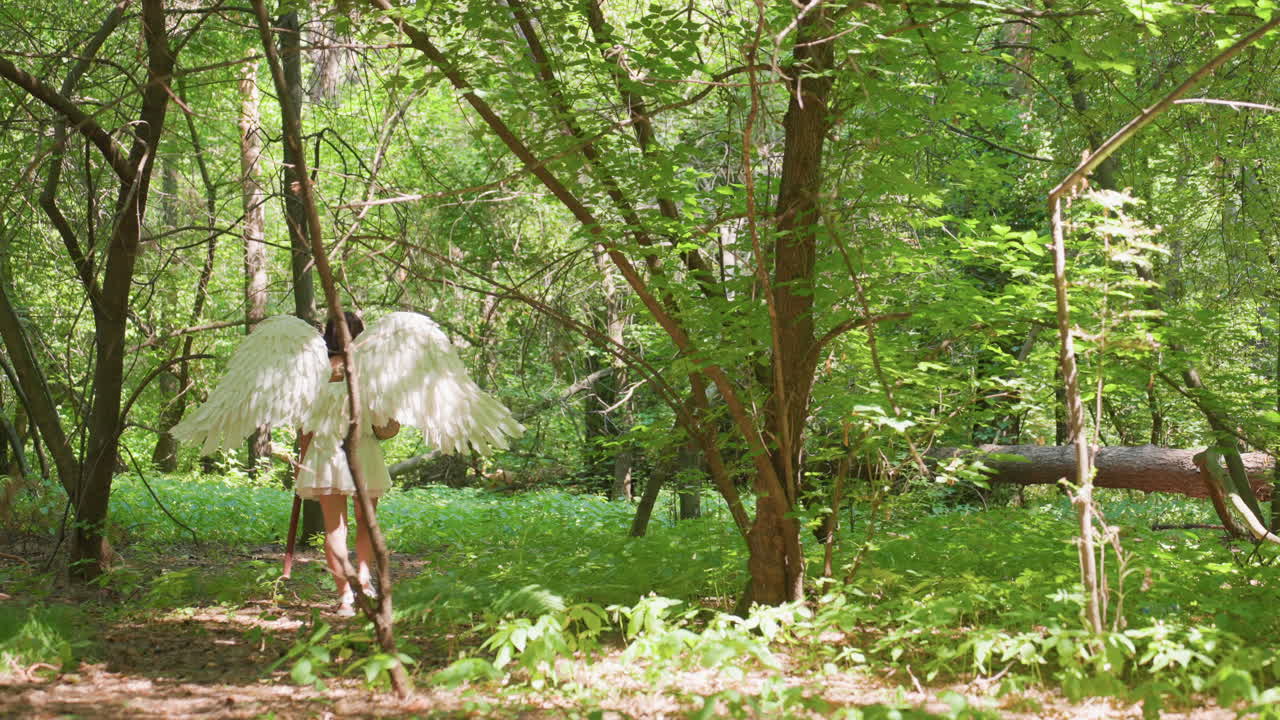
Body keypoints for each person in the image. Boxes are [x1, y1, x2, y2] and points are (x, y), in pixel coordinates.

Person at [295, 312, 401, 616]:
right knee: (366, 522)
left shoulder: (316, 374)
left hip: (325, 453)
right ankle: (365, 583)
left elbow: (306, 428)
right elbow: (386, 425)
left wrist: (303, 463)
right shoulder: (369, 373)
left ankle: (345, 596)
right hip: (362, 452)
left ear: (327, 335)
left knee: (334, 530)